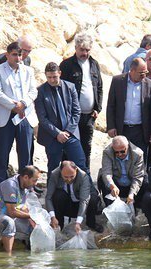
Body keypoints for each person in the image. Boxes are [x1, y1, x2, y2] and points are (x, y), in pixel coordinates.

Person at [0, 42, 38, 189]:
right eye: (15, 55)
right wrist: (14, 106)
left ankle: (26, 187)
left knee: (25, 154)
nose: (18, 58)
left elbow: (33, 91)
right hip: (6, 116)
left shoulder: (28, 70)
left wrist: (23, 103)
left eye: (20, 55)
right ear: (7, 54)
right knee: (2, 153)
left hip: (24, 115)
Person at [60, 32, 103, 170]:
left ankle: (85, 179)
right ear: (76, 48)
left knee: (86, 148)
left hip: (89, 116)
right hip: (72, 116)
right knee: (69, 148)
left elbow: (99, 87)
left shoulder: (94, 64)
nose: (85, 53)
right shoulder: (66, 65)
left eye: (87, 50)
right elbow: (61, 91)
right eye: (82, 50)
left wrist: (98, 108)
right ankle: (67, 178)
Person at [34, 62, 86, 175]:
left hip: (71, 134)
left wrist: (67, 132)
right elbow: (42, 118)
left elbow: (76, 111)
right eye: (49, 77)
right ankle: (52, 193)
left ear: (60, 73)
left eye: (55, 77)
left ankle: (88, 192)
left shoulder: (70, 87)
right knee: (53, 169)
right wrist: (57, 133)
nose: (52, 80)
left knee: (80, 165)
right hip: (52, 136)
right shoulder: (40, 91)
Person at [106, 57, 151, 158]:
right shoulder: (117, 81)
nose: (144, 75)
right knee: (121, 159)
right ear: (132, 70)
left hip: (141, 131)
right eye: (141, 73)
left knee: (140, 160)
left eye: (145, 72)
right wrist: (111, 126)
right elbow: (111, 105)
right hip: (122, 129)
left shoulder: (150, 85)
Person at [0, 165, 41, 254]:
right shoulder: (10, 185)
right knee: (8, 223)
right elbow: (12, 212)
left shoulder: (25, 187)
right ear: (26, 177)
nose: (36, 183)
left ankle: (32, 254)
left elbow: (23, 207)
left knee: (35, 225)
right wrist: (31, 216)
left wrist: (33, 220)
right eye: (34, 180)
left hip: (11, 215)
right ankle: (8, 256)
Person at [45, 161, 102, 234]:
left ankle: (91, 223)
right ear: (60, 172)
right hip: (67, 205)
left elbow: (84, 200)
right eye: (65, 177)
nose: (69, 179)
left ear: (76, 171)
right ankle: (59, 224)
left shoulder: (83, 176)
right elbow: (48, 197)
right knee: (57, 195)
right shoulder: (54, 174)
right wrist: (52, 217)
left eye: (72, 176)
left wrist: (78, 222)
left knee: (93, 199)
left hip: (81, 205)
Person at [98, 135, 145, 207]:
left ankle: (137, 205)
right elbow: (106, 173)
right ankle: (109, 205)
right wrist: (112, 186)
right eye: (116, 152)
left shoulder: (138, 154)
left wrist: (132, 193)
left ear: (128, 147)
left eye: (122, 151)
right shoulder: (107, 152)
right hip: (116, 184)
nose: (119, 154)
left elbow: (138, 176)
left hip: (131, 183)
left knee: (145, 179)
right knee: (102, 178)